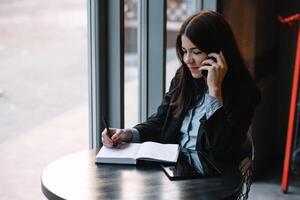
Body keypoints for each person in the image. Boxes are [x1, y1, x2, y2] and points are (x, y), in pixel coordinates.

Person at [101, 10, 260, 163]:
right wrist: (129, 134)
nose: (187, 60)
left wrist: (215, 91)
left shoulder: (243, 90)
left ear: (217, 52)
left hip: (212, 180)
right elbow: (161, 120)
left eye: (195, 52)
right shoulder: (183, 77)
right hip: (173, 170)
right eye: (184, 51)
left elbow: (221, 149)